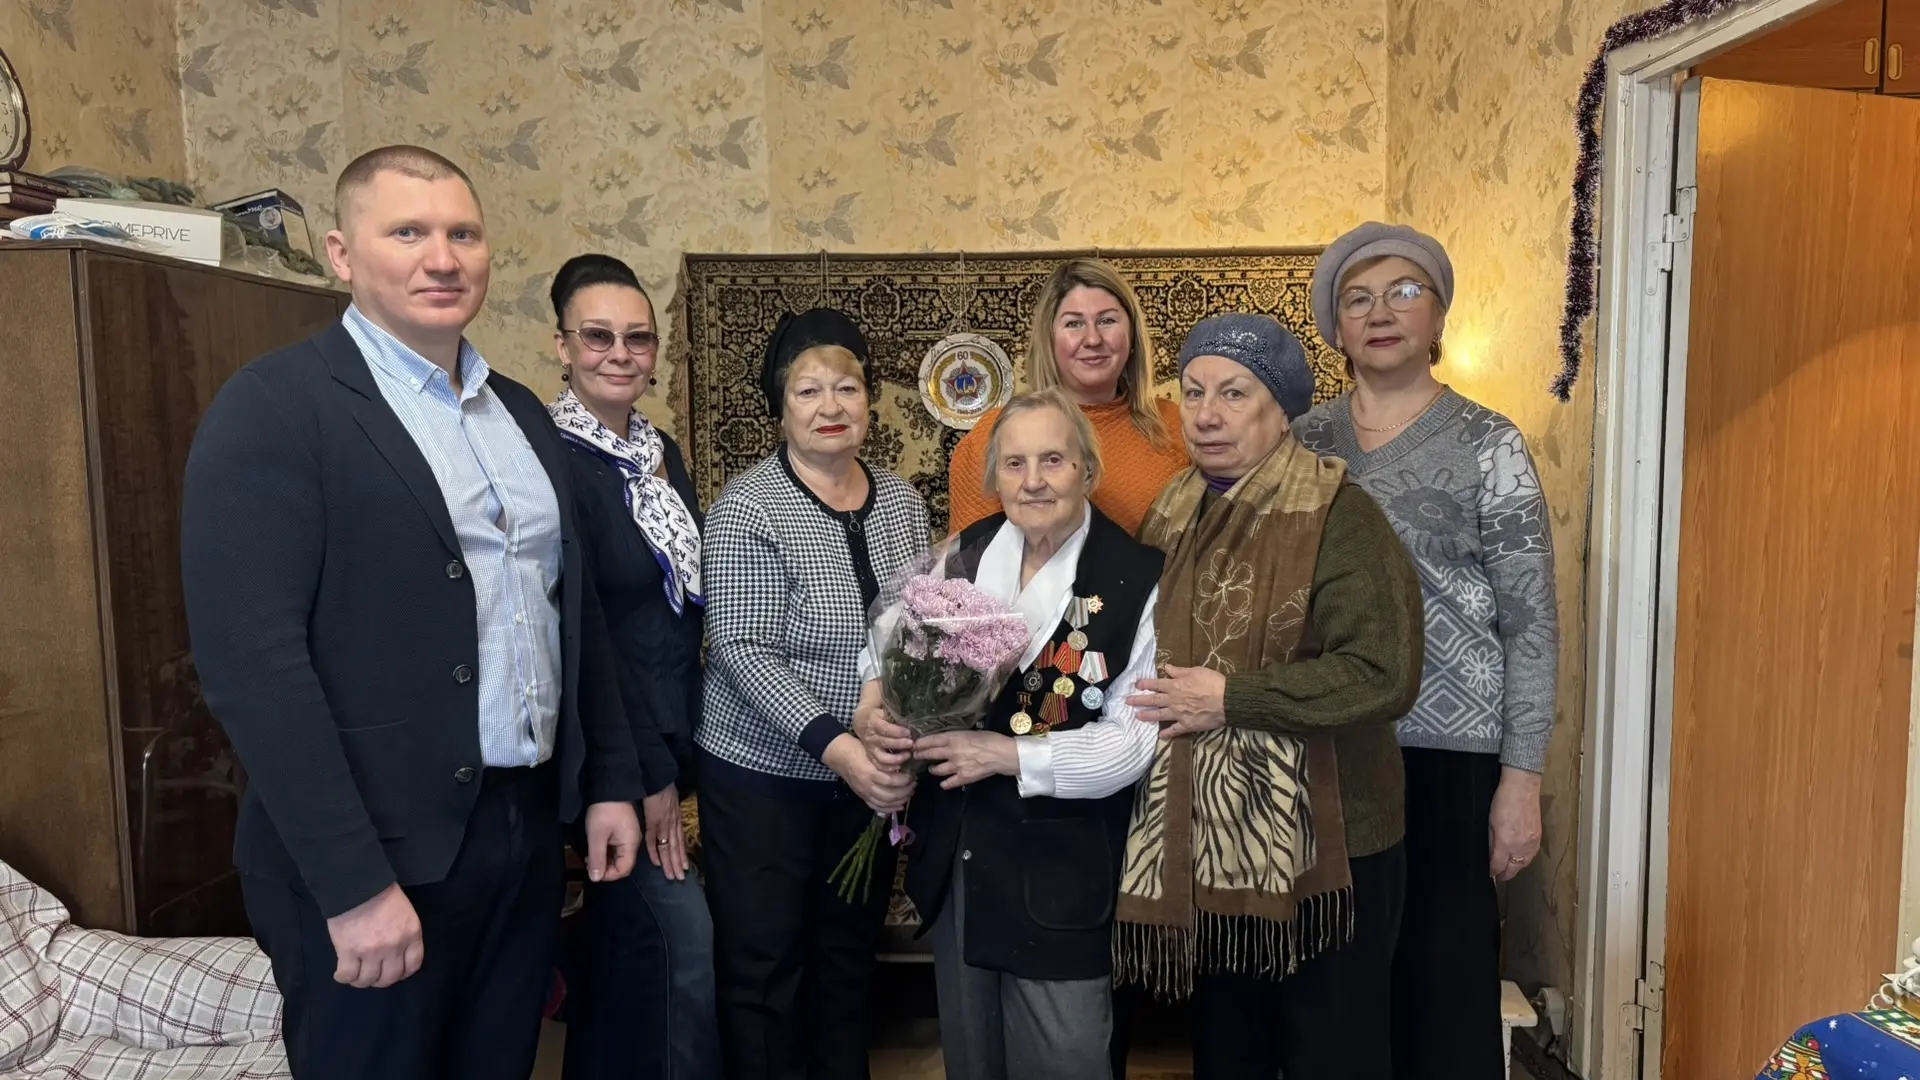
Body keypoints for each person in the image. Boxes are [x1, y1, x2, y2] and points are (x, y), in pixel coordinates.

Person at [179, 145, 644, 1080]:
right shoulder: (275, 406)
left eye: (463, 234)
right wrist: (353, 886)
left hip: (517, 837)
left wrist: (608, 781)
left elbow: (572, 614)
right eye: (408, 232)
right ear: (343, 254)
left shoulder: (521, 414)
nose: (442, 258)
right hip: (371, 853)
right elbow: (254, 669)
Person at [1116, 314, 1425, 1080]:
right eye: (1193, 392)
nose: (1207, 414)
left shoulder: (1340, 514)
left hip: (1333, 848)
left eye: (1234, 393)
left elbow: (1383, 672)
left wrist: (1234, 699)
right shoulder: (1172, 510)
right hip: (1211, 844)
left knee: (1333, 1054)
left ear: (1282, 409)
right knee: (1229, 1051)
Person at [1292, 223, 1558, 1080]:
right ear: (1335, 329)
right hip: (1331, 745)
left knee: (1445, 986)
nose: (1381, 313)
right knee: (1337, 994)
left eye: (1405, 292)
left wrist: (1521, 780)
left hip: (1451, 755)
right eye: (1358, 298)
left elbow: (1530, 621)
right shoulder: (1300, 442)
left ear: (1438, 314)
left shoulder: (1490, 442)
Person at [854, 388, 1162, 1080]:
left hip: (1062, 869)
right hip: (961, 856)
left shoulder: (1138, 577)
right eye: (1015, 463)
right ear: (994, 476)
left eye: (1053, 460)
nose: (1033, 481)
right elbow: (885, 644)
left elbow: (1132, 743)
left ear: (1088, 469)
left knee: (1066, 1057)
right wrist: (873, 703)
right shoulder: (966, 552)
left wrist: (1008, 755)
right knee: (973, 1060)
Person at [696, 308, 928, 1080]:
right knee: (766, 966)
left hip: (868, 777)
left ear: (870, 402)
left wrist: (888, 731)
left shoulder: (901, 502)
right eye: (808, 391)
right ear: (780, 407)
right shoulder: (748, 507)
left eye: (848, 389)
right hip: (763, 779)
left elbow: (916, 626)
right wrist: (840, 748)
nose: (831, 407)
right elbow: (741, 650)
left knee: (847, 956)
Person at [545, 253, 719, 1080]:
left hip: (674, 741)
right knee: (679, 948)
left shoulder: (658, 452)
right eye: (598, 336)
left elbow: (674, 617)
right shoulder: (554, 462)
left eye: (638, 338)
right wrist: (644, 774)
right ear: (562, 346)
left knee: (622, 960)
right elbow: (586, 639)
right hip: (611, 756)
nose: (620, 353)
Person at [947, 258, 1189, 536]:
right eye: (1074, 323)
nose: (1093, 339)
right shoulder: (993, 436)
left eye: (1107, 320)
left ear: (1132, 335)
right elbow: (972, 557)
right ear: (1049, 339)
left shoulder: (1177, 425)